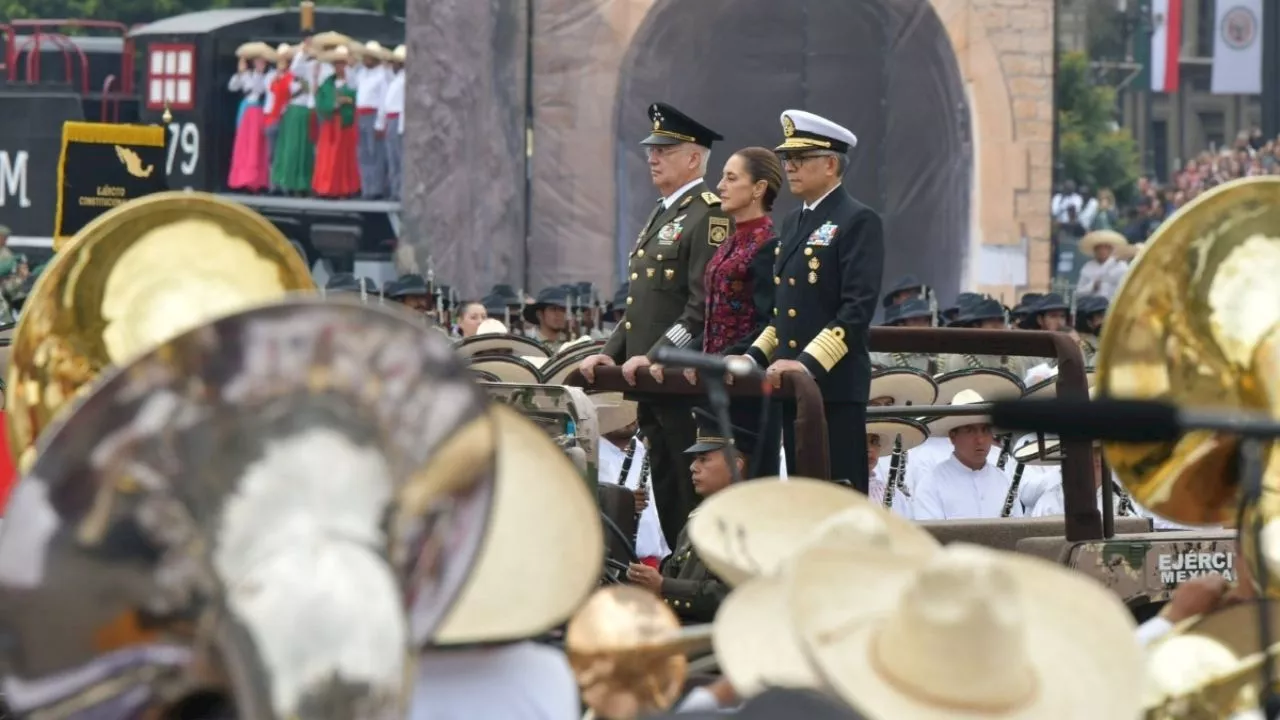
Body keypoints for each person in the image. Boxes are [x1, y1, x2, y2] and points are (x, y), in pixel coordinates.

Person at [580, 102, 729, 548]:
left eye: (665, 148)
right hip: (648, 380)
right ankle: (676, 575)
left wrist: (657, 354)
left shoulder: (709, 214)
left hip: (681, 381)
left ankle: (694, 584)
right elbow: (641, 304)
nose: (653, 156)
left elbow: (701, 307)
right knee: (666, 487)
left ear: (693, 157)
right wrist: (611, 351)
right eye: (652, 148)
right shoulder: (665, 212)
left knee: (691, 492)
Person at [742, 110, 885, 493]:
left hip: (833, 387)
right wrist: (754, 357)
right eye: (787, 159)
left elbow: (855, 311)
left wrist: (806, 364)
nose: (789, 167)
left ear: (831, 164)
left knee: (839, 495)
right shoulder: (793, 223)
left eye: (801, 159)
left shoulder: (857, 220)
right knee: (806, 493)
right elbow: (784, 312)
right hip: (793, 385)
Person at [675, 146, 782, 474]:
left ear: (758, 189)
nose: (720, 185)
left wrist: (727, 358)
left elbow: (769, 322)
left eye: (731, 178)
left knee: (745, 481)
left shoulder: (768, 245)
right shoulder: (730, 242)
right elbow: (714, 317)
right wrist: (694, 355)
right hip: (715, 386)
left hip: (747, 388)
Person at [625, 408, 743, 623]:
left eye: (703, 459)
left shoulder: (749, 522)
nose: (693, 467)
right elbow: (674, 572)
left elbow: (733, 595)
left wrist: (664, 586)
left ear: (736, 466)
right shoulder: (699, 517)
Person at [913, 389, 1024, 520]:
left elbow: (1018, 529)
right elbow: (931, 537)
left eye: (985, 430)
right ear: (953, 437)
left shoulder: (1004, 480)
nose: (980, 440)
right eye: (970, 430)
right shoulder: (931, 484)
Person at [312, 45, 361, 198]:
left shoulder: (353, 82)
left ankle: (344, 189)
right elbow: (320, 101)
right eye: (337, 64)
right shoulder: (327, 83)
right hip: (330, 123)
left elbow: (359, 98)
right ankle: (326, 188)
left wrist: (347, 100)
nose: (340, 67)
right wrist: (334, 104)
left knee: (344, 158)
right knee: (327, 156)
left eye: (342, 64)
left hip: (345, 124)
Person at [226, 44, 273, 192]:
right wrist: (241, 74)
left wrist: (258, 74)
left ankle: (257, 181)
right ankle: (242, 179)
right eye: (257, 61)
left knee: (257, 145)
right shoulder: (246, 74)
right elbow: (232, 87)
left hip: (258, 110)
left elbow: (260, 89)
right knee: (244, 145)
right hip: (247, 110)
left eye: (262, 62)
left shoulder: (267, 76)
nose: (260, 64)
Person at [355, 41, 391, 199]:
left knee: (375, 152)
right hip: (361, 114)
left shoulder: (382, 75)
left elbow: (384, 100)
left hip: (373, 114)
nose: (365, 60)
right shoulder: (361, 73)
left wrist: (380, 123)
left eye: (369, 57)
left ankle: (376, 188)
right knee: (363, 153)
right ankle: (366, 186)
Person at [263, 44, 294, 190]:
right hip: (271, 117)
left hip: (285, 117)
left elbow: (289, 93)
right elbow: (269, 89)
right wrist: (277, 78)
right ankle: (272, 184)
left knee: (284, 151)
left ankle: (283, 184)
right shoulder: (271, 76)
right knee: (271, 152)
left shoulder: (291, 77)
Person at [380, 45, 406, 201]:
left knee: (399, 157)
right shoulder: (395, 79)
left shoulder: (405, 80)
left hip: (398, 119)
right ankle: (395, 189)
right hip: (391, 118)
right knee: (392, 157)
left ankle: (401, 191)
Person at [1075, 229, 1132, 300]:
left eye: (1105, 248)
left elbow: (1126, 288)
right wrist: (1092, 287)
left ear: (1110, 250)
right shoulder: (1087, 267)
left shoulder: (1121, 266)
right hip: (1092, 307)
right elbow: (1078, 292)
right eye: (1099, 249)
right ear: (1094, 251)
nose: (1102, 251)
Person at [522, 287, 571, 353]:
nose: (560, 314)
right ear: (540, 314)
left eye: (563, 309)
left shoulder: (571, 345)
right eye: (553, 309)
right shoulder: (528, 346)